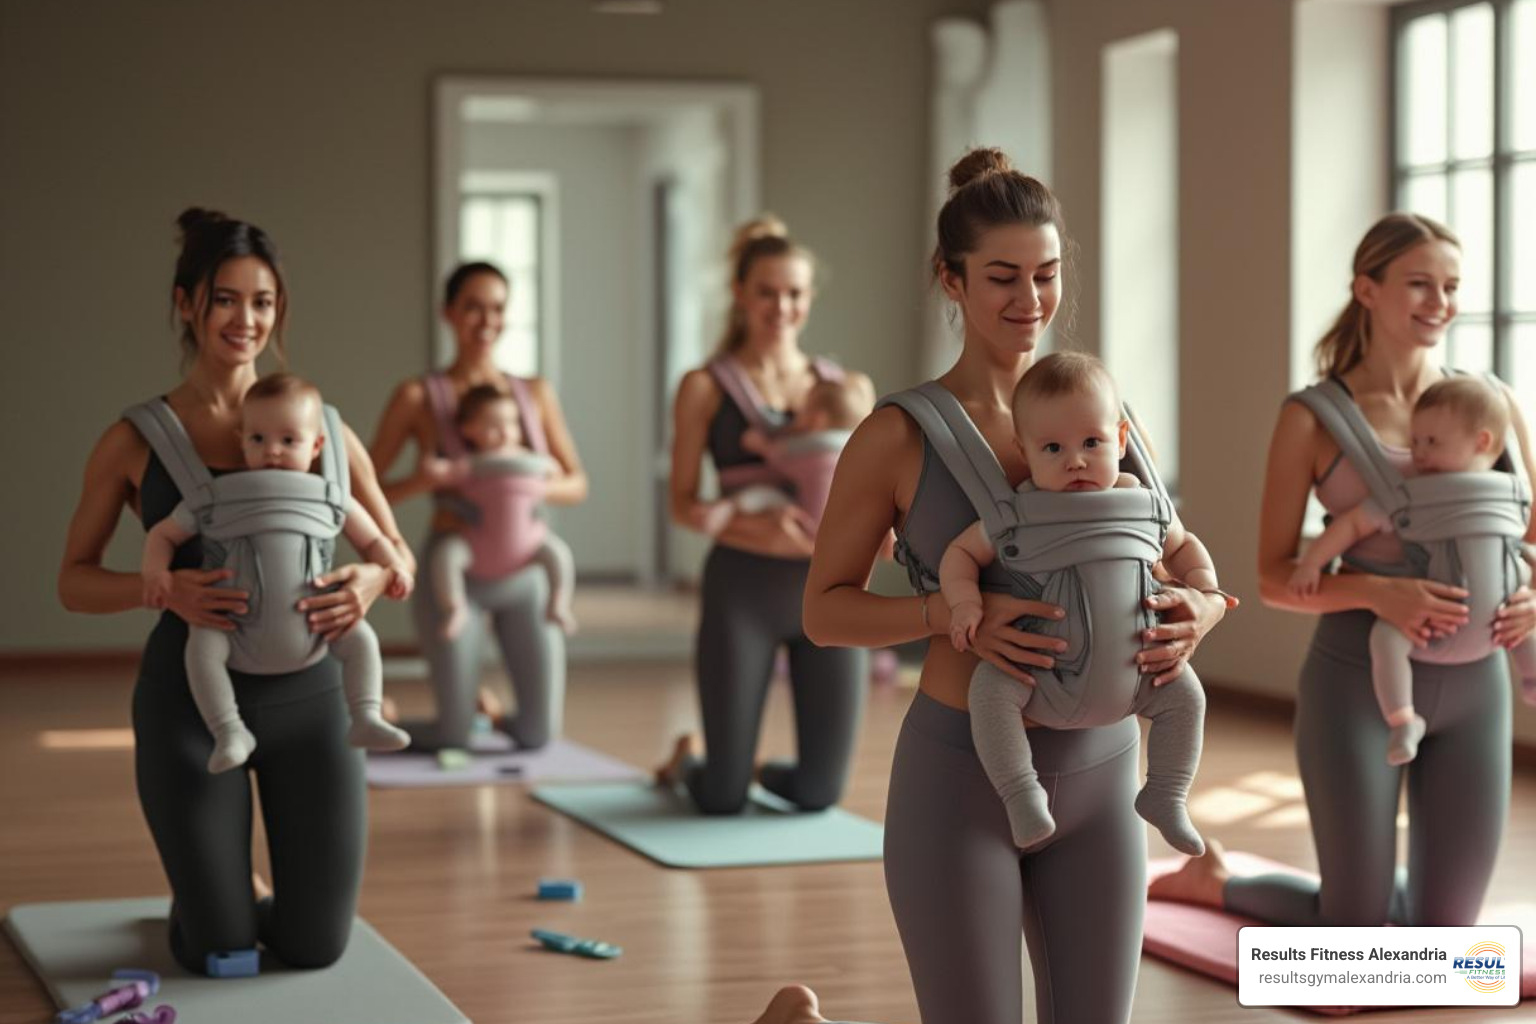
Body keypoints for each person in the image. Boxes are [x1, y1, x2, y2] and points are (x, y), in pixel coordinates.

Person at [783, 149, 1230, 1024]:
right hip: (961, 782)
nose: (1031, 301)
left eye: (1048, 275)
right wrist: (954, 617)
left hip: (1107, 776)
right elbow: (824, 612)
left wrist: (1203, 611)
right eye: (1003, 278)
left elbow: (1170, 549)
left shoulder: (1103, 418)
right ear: (950, 279)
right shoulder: (895, 435)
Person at [1152, 213, 1536, 930]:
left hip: (1478, 688)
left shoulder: (1495, 406)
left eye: (1451, 286)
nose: (1440, 302)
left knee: (1445, 937)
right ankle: (1218, 883)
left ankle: (1387, 896)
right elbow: (1270, 577)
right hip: (1354, 684)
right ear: (1367, 289)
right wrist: (1377, 590)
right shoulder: (1313, 417)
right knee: (1352, 927)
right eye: (1419, 284)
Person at [58, 208, 412, 972]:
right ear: (186, 304)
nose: (246, 319)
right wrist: (164, 592)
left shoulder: (328, 432)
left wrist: (372, 578)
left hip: (314, 706)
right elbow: (73, 584)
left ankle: (225, 880)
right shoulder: (135, 439)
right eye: (225, 299)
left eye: (263, 301)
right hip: (192, 706)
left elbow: (393, 550)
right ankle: (209, 890)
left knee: (315, 947)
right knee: (217, 948)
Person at [940, 351, 1214, 854]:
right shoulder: (1018, 514)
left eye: (1092, 442)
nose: (1076, 460)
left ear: (1122, 439)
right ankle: (1021, 792)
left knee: (1188, 698)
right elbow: (960, 553)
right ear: (1024, 451)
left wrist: (1203, 590)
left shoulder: (1147, 504)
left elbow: (1184, 545)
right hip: (1042, 676)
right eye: (1053, 448)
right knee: (989, 693)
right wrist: (964, 605)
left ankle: (1167, 792)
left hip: (1140, 675)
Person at [655, 216, 873, 815]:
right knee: (722, 800)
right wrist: (759, 529)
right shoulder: (703, 387)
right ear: (741, 295)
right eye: (767, 292)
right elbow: (681, 503)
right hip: (742, 591)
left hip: (830, 594)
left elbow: (876, 495)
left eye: (795, 293)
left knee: (820, 794)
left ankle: (744, 764)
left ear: (810, 299)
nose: (782, 307)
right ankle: (694, 764)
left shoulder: (848, 389)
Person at [140, 372, 413, 773]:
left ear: (317, 445)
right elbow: (163, 534)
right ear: (241, 440)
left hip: (317, 625)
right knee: (200, 649)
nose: (272, 451)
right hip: (232, 626)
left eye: (288, 440)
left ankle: (366, 715)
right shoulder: (214, 498)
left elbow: (375, 542)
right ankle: (229, 729)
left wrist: (389, 570)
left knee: (362, 639)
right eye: (257, 439)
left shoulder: (333, 497)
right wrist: (155, 572)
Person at [370, 261, 588, 752]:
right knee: (453, 736)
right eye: (472, 307)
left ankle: (487, 713)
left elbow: (577, 483)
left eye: (497, 309)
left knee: (539, 735)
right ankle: (378, 723)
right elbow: (367, 491)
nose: (486, 321)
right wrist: (423, 481)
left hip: (524, 573)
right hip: (456, 572)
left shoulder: (534, 393)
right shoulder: (417, 397)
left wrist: (520, 488)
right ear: (448, 312)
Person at [1287, 375, 1536, 765]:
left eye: (1431, 443)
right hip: (1424, 623)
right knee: (1386, 640)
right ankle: (1404, 718)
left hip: (1497, 627)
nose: (1418, 454)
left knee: (1524, 621)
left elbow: (1526, 546)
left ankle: (1531, 676)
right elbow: (1352, 524)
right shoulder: (1411, 494)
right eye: (1415, 440)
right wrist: (1312, 564)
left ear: (1483, 442)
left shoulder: (1512, 491)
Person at [427, 384, 576, 640]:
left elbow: (556, 470)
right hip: (479, 546)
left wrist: (550, 469)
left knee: (559, 554)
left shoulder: (529, 459)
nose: (506, 432)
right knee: (446, 555)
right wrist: (435, 469)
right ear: (469, 430)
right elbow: (445, 474)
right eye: (493, 425)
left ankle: (558, 603)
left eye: (512, 424)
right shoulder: (471, 464)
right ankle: (454, 606)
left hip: (528, 544)